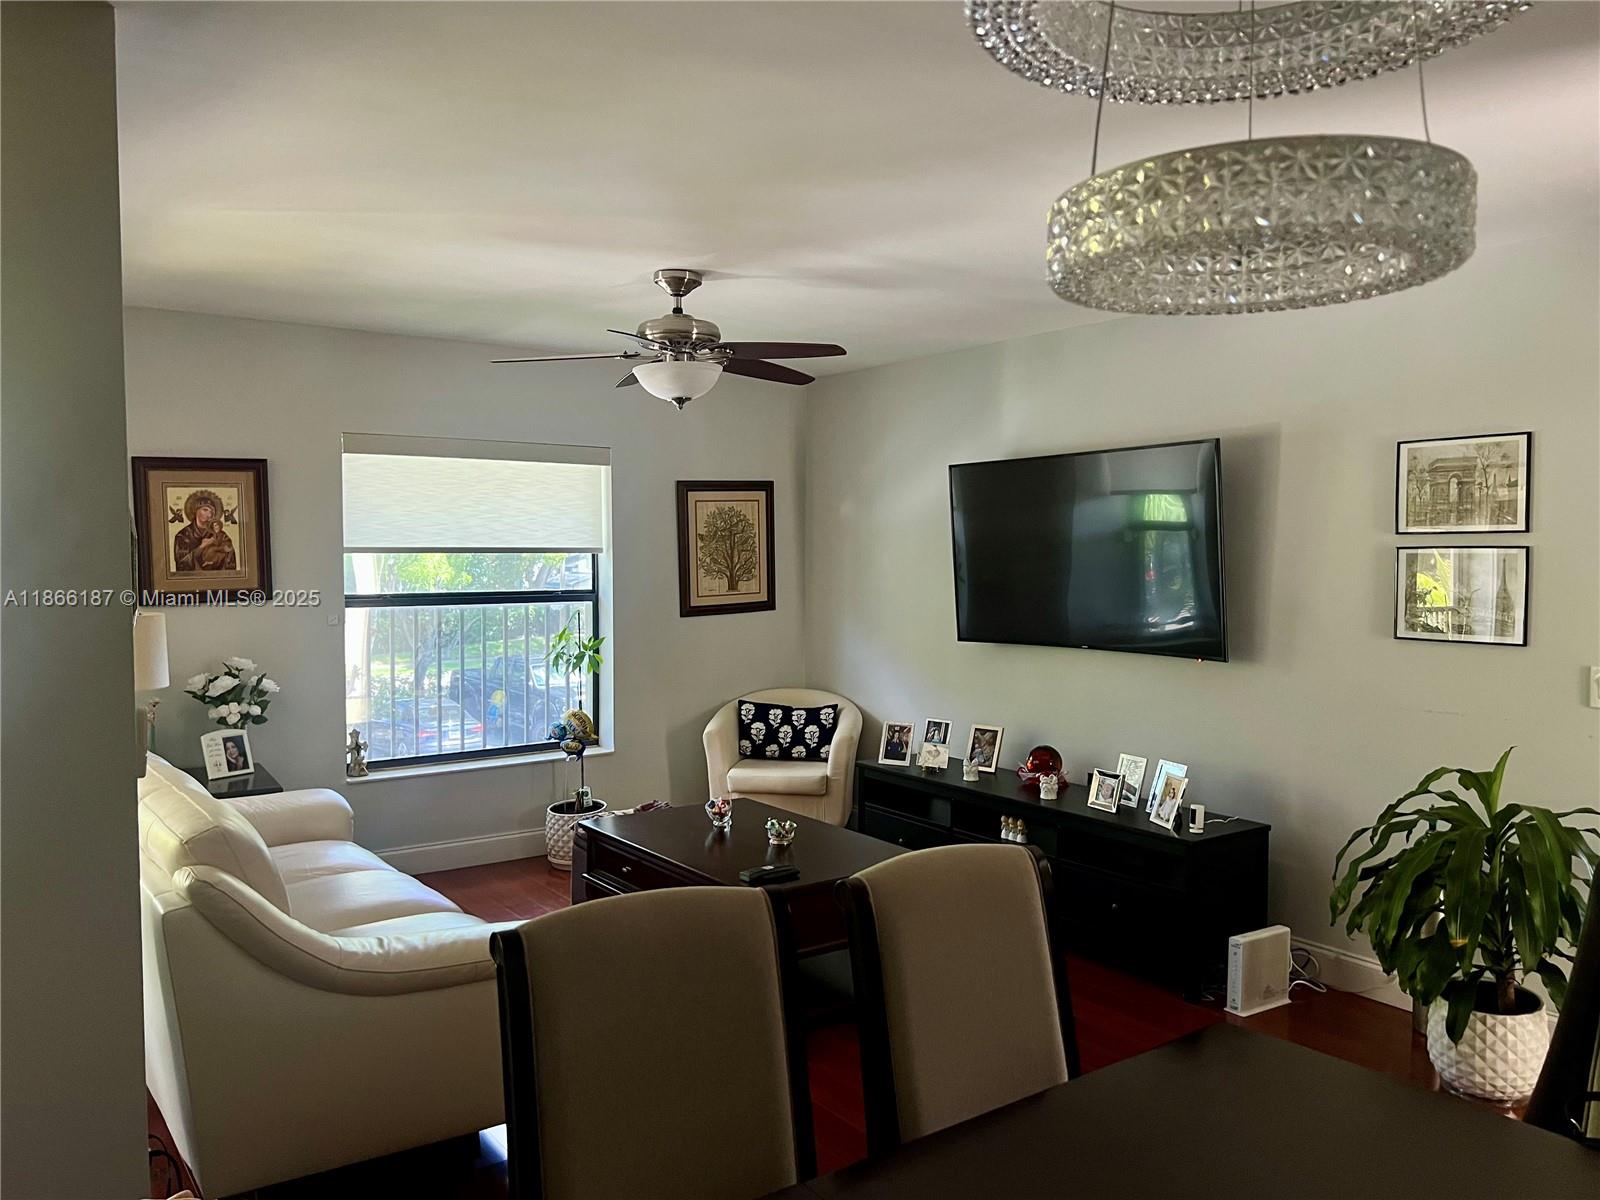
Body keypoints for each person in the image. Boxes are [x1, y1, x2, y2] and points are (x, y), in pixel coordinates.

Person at [173, 489, 237, 573]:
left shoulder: (221, 536)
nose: (209, 514)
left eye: (212, 512)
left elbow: (230, 562)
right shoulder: (183, 535)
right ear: (196, 510)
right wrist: (201, 547)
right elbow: (181, 564)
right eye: (205, 510)